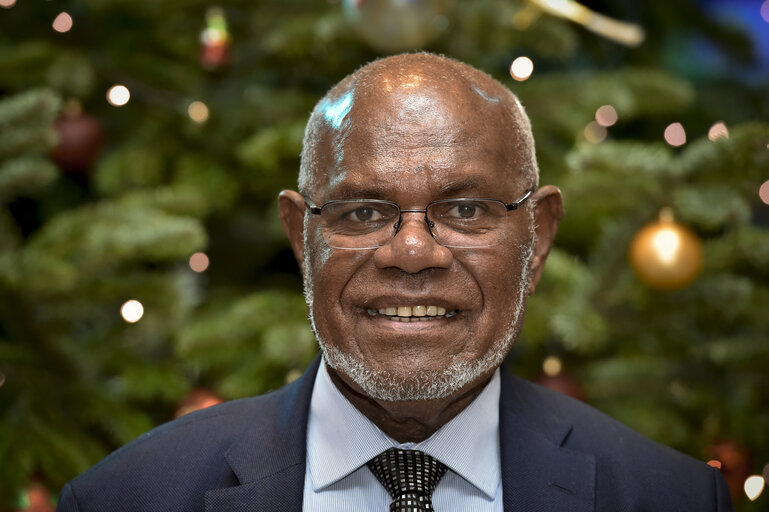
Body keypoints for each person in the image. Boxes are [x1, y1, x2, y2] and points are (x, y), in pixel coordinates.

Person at [56, 53, 734, 512]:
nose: (412, 251)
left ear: (537, 239)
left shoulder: (665, 496)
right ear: (301, 237)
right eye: (362, 212)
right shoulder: (129, 496)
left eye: (465, 209)